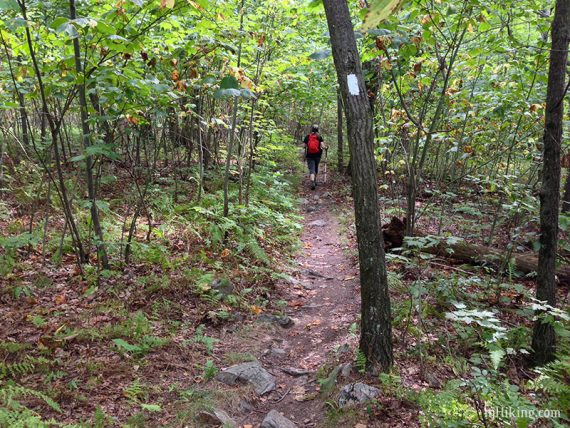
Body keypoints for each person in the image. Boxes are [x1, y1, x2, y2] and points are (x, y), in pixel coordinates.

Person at [303, 125, 327, 190]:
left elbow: (304, 146)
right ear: (318, 130)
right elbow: (323, 146)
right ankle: (315, 181)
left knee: (312, 169)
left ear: (312, 129)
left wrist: (306, 146)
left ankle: (313, 181)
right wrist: (326, 147)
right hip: (318, 155)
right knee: (316, 168)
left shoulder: (308, 137)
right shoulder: (319, 137)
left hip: (309, 155)